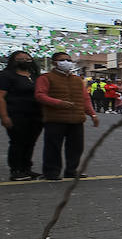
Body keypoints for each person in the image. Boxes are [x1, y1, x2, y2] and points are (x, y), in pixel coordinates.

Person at [34, 51, 99, 180]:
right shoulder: (45, 78)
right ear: (54, 63)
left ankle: (72, 171)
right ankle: (52, 172)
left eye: (69, 60)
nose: (67, 63)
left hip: (76, 119)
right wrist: (59, 103)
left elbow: (85, 98)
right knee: (53, 147)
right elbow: (40, 95)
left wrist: (92, 114)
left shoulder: (77, 79)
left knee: (76, 147)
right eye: (63, 60)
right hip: (55, 119)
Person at [0, 50, 42, 180]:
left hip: (36, 115)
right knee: (18, 142)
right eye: (21, 59)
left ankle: (26, 168)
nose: (25, 61)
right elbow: (1, 97)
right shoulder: (6, 75)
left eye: (27, 58)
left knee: (30, 142)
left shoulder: (35, 76)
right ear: (13, 60)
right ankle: (16, 170)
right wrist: (4, 116)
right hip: (16, 115)